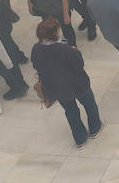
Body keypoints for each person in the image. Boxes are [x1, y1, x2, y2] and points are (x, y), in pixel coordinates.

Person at [32, 18, 102, 148]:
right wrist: (75, 51)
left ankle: (80, 138)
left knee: (70, 111)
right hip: (77, 85)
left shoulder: (36, 49)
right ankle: (95, 128)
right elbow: (78, 65)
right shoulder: (65, 49)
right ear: (54, 33)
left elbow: (36, 65)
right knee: (89, 104)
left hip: (57, 89)